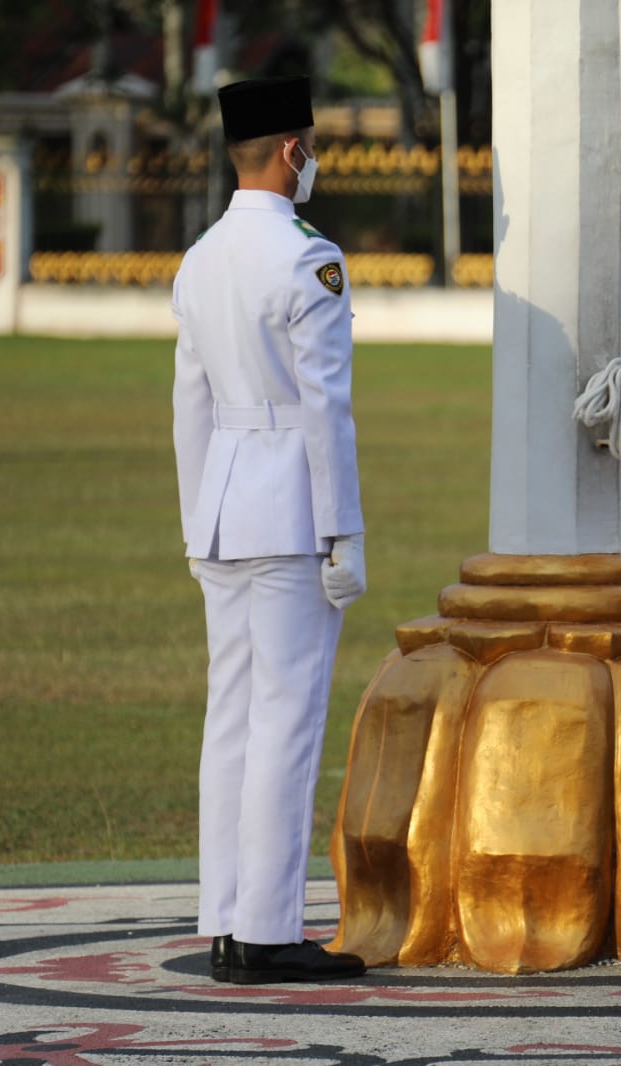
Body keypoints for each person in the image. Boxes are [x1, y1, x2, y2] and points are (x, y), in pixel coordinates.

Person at [172, 74, 369, 985]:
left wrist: (193, 519)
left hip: (221, 510)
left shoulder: (201, 255)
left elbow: (190, 405)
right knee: (286, 721)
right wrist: (345, 534)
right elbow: (327, 413)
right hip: (289, 512)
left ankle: (225, 920)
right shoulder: (307, 257)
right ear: (293, 150)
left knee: (233, 720)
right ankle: (266, 931)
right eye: (311, 145)